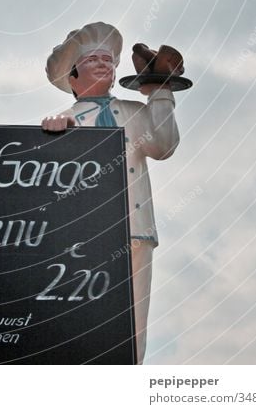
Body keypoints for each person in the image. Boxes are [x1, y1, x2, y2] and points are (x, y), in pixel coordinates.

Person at [42, 21, 183, 364]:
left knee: (132, 325)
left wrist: (160, 91)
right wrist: (52, 134)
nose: (105, 64)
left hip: (134, 229)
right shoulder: (64, 119)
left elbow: (164, 145)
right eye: (94, 60)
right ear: (72, 76)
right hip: (82, 236)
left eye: (109, 59)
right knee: (80, 319)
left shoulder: (135, 114)